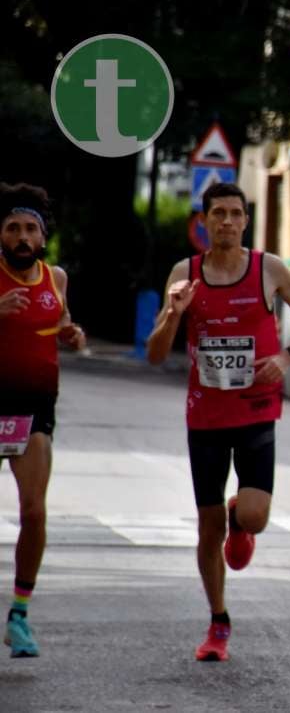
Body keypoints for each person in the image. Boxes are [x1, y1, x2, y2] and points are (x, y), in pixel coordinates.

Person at [146, 182, 290, 661]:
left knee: (253, 516)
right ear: (203, 221)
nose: (227, 221)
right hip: (204, 415)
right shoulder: (185, 275)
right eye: (218, 213)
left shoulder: (268, 269)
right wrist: (172, 314)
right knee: (207, 528)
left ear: (246, 220)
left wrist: (286, 358)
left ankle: (238, 518)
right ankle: (218, 621)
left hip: (255, 408)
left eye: (235, 213)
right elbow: (155, 354)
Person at [0, 183, 85, 657]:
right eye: (13, 228)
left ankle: (19, 614)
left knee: (34, 510)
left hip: (34, 409)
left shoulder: (56, 277)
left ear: (42, 235)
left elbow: (61, 321)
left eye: (30, 227)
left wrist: (71, 332)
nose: (22, 236)